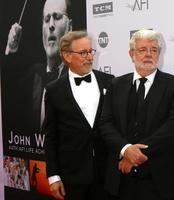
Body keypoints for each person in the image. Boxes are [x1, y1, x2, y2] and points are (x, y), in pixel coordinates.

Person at [99, 29, 174, 200]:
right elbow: (105, 123)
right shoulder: (116, 84)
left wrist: (133, 156)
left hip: (162, 177)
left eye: (154, 50)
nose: (149, 54)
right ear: (131, 54)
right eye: (142, 50)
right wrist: (125, 149)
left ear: (159, 53)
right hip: (122, 178)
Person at [43, 30, 114, 200]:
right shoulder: (54, 90)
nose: (89, 57)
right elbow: (50, 136)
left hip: (108, 174)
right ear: (67, 56)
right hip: (72, 177)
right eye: (83, 53)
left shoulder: (110, 81)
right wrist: (53, 176)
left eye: (91, 51)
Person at [5, 0, 73, 131]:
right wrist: (11, 49)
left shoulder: (78, 78)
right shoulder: (31, 76)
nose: (51, 25)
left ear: (69, 27)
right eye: (46, 19)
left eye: (57, 17)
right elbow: (8, 90)